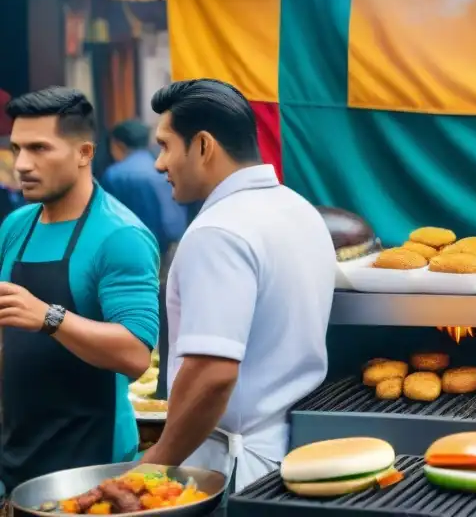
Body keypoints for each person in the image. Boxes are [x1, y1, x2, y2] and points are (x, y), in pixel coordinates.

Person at [139, 79, 335, 491]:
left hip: (230, 472)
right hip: (290, 459)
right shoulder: (300, 210)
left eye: (166, 145)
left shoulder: (219, 231)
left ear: (204, 146)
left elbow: (213, 373)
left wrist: (156, 462)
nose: (159, 164)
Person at [0, 88, 159, 492]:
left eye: (39, 148)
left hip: (92, 463)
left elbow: (136, 355)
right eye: (16, 148)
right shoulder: (16, 226)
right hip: (16, 451)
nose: (21, 164)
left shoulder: (120, 236)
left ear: (84, 153)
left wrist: (49, 317)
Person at [101, 119, 187, 274]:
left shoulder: (115, 174)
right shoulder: (162, 167)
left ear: (117, 145)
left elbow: (107, 220)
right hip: (173, 248)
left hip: (135, 253)